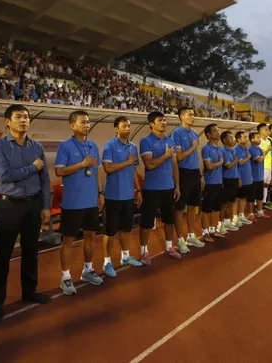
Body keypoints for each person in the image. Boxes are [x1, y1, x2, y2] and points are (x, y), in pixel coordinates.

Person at [0, 104, 52, 324]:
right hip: (9, 206)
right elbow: (4, 176)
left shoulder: (37, 147)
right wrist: (33, 168)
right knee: (3, 255)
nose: (24, 120)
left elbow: (45, 179)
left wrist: (45, 206)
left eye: (26, 117)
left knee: (31, 250)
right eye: (18, 117)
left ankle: (29, 290)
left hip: (33, 205)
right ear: (8, 121)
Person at [55, 110, 104, 296]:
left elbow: (98, 171)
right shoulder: (65, 147)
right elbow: (59, 171)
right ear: (72, 125)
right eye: (82, 122)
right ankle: (66, 277)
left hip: (91, 201)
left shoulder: (93, 146)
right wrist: (82, 165)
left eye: (88, 122)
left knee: (90, 237)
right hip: (73, 203)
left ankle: (88, 270)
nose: (86, 125)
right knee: (68, 240)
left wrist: (100, 193)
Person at [101, 116, 144, 276]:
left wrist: (138, 190)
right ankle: (107, 263)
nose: (128, 128)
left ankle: (125, 257)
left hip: (128, 196)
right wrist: (127, 162)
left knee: (126, 229)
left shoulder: (133, 147)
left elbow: (133, 170)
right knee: (110, 232)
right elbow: (108, 168)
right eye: (124, 126)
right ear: (116, 128)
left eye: (129, 126)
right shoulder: (109, 146)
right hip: (113, 196)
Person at [140, 111, 183, 260]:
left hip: (169, 187)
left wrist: (177, 185)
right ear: (151, 124)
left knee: (169, 220)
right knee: (147, 221)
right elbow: (149, 164)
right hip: (152, 188)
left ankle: (169, 247)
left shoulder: (170, 141)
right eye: (160, 120)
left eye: (164, 120)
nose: (164, 123)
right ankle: (144, 252)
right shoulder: (146, 141)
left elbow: (174, 165)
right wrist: (165, 156)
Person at [171, 107, 205, 249]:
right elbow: (178, 157)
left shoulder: (195, 133)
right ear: (181, 117)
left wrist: (200, 175)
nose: (193, 116)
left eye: (193, 114)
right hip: (183, 172)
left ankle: (191, 236)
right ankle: (180, 239)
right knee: (179, 208)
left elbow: (195, 156)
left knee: (193, 206)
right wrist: (192, 147)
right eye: (190, 114)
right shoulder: (176, 133)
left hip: (194, 173)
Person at [201, 123, 228, 239]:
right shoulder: (206, 149)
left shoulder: (220, 148)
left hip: (218, 182)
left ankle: (213, 229)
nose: (218, 133)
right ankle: (205, 232)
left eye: (218, 131)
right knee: (206, 209)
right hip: (210, 183)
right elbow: (209, 166)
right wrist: (220, 163)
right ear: (208, 134)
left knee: (216, 208)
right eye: (215, 131)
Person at [221, 131, 242, 230]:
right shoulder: (222, 151)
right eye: (230, 137)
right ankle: (220, 223)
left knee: (231, 202)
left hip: (234, 179)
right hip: (226, 179)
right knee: (224, 203)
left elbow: (235, 167)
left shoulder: (233, 151)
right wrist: (235, 160)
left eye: (233, 137)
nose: (232, 139)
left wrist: (238, 178)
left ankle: (227, 221)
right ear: (224, 140)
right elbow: (228, 165)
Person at [234, 131, 254, 224]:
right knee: (237, 198)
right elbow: (240, 162)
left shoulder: (246, 148)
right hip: (241, 178)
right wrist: (248, 157)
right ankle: (235, 217)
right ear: (238, 139)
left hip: (247, 178)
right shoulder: (236, 149)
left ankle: (241, 215)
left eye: (247, 137)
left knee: (243, 198)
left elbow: (247, 164)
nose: (247, 139)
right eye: (244, 137)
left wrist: (250, 176)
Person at [249, 132, 269, 217]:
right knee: (252, 197)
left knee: (259, 195)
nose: (259, 139)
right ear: (252, 139)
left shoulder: (259, 149)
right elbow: (258, 160)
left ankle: (260, 211)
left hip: (260, 176)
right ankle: (251, 213)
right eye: (257, 137)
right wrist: (266, 151)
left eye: (259, 137)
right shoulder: (251, 149)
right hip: (254, 176)